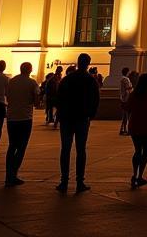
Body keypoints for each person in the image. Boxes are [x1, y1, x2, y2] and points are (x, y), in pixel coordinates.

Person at [55, 52, 100, 193]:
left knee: (65, 149)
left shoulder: (67, 79)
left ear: (78, 62)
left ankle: (64, 182)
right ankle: (80, 182)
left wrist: (60, 114)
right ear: (88, 64)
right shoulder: (90, 80)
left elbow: (59, 97)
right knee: (81, 150)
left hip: (67, 118)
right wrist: (90, 115)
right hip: (82, 119)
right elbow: (96, 100)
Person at [4, 62, 40, 186]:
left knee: (12, 146)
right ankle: (13, 174)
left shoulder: (11, 81)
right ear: (30, 70)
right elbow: (36, 102)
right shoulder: (32, 83)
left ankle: (8, 174)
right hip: (25, 118)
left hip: (11, 118)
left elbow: (7, 97)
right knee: (22, 147)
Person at [125, 73, 147, 188]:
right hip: (146, 125)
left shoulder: (133, 94)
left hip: (134, 125)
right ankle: (140, 176)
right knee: (145, 152)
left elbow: (128, 108)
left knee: (137, 150)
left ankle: (134, 174)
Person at [118, 67, 133, 136]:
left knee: (124, 115)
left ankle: (123, 129)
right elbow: (128, 88)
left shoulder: (122, 79)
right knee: (128, 115)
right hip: (127, 99)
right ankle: (128, 129)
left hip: (123, 98)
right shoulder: (126, 79)